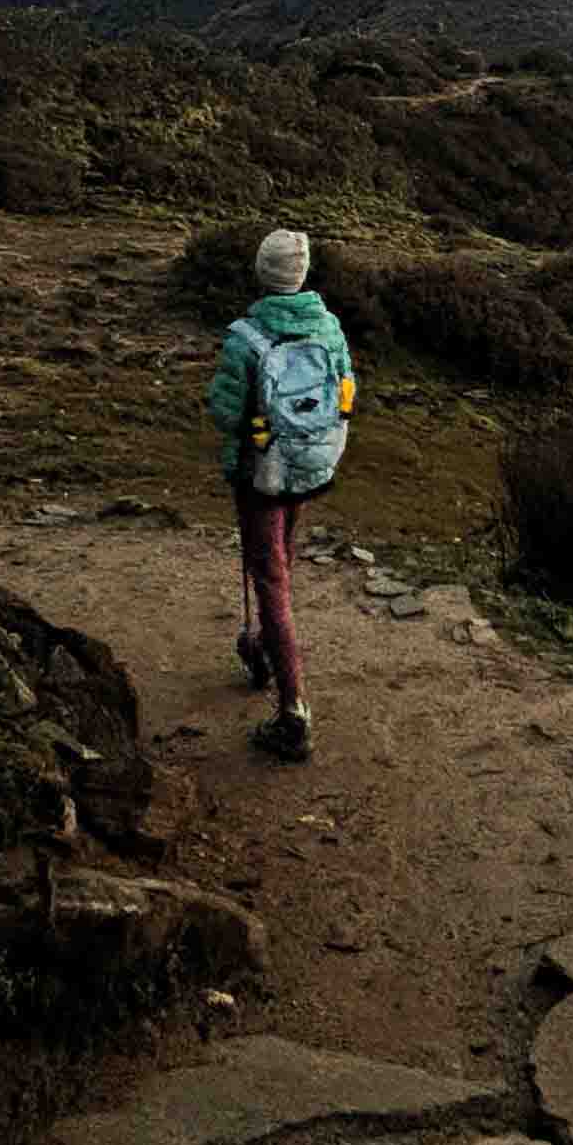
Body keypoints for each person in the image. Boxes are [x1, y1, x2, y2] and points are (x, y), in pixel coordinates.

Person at [205, 227, 356, 760]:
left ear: (261, 272)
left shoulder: (245, 338)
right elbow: (346, 387)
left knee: (270, 579)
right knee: (280, 559)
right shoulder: (329, 326)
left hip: (262, 471)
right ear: (302, 273)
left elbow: (225, 412)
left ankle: (293, 712)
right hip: (311, 463)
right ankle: (264, 644)